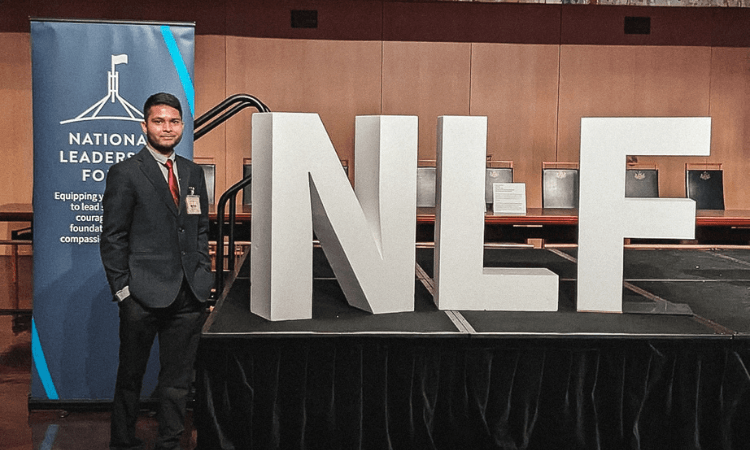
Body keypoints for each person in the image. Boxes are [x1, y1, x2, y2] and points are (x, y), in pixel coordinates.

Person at [100, 92, 213, 450]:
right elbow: (113, 236)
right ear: (144, 126)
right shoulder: (126, 173)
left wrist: (203, 276)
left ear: (182, 126)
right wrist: (123, 291)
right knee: (130, 377)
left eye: (174, 121)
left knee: (177, 381)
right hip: (142, 296)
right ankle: (122, 442)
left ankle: (170, 442)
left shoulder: (193, 173)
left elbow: (200, 229)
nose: (167, 128)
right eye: (159, 121)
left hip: (188, 296)